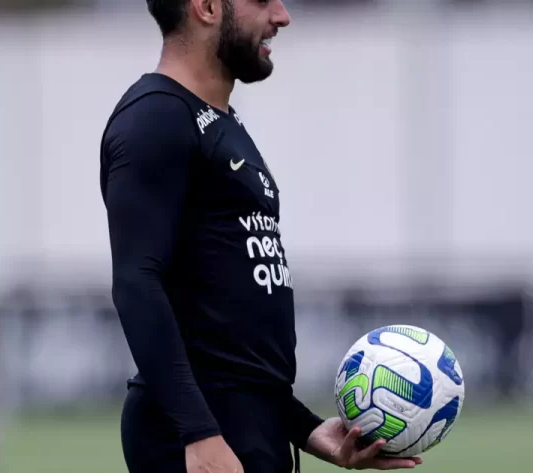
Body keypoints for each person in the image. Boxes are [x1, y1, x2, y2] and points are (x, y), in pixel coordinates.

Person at [98, 1, 423, 472]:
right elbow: (136, 283)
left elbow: (226, 348)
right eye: (262, 0)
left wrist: (306, 429)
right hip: (195, 441)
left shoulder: (219, 122)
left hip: (242, 428)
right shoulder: (156, 119)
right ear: (207, 7)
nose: (282, 15)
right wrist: (199, 434)